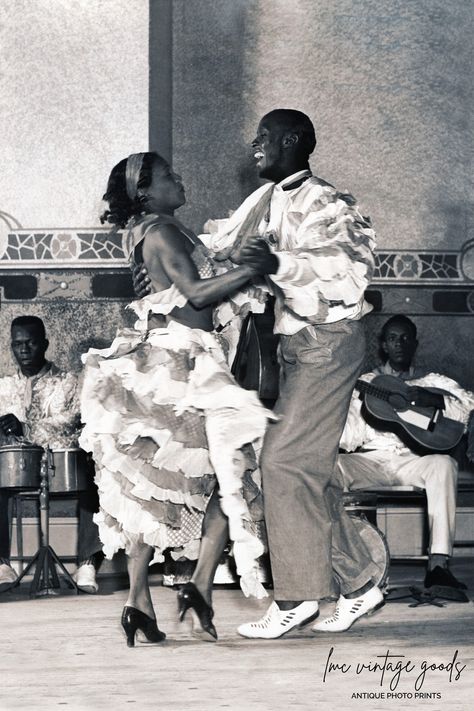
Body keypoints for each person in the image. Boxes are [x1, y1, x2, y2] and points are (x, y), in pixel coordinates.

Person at [79, 151, 272, 647]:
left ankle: (138, 601)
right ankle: (200, 586)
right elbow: (197, 293)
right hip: (181, 363)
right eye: (169, 175)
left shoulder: (154, 228)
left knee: (152, 483)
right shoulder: (161, 232)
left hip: (165, 361)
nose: (179, 178)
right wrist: (255, 270)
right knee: (232, 470)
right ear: (144, 190)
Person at [337, 315, 474, 590]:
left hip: (414, 461)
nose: (399, 343)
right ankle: (344, 564)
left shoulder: (433, 380)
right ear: (384, 346)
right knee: (328, 466)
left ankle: (438, 565)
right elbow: (350, 437)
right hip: (371, 459)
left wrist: (433, 399)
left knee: (444, 464)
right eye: (392, 338)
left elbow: (467, 406)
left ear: (414, 344)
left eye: (405, 338)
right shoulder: (365, 382)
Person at [0, 316, 103, 593]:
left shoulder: (68, 382)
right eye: (17, 344)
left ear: (44, 344)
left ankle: (87, 562)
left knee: (94, 471)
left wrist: (26, 427)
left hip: (59, 464)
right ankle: (1, 564)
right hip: (16, 468)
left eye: (31, 343)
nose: (24, 350)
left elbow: (73, 419)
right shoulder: (3, 387)